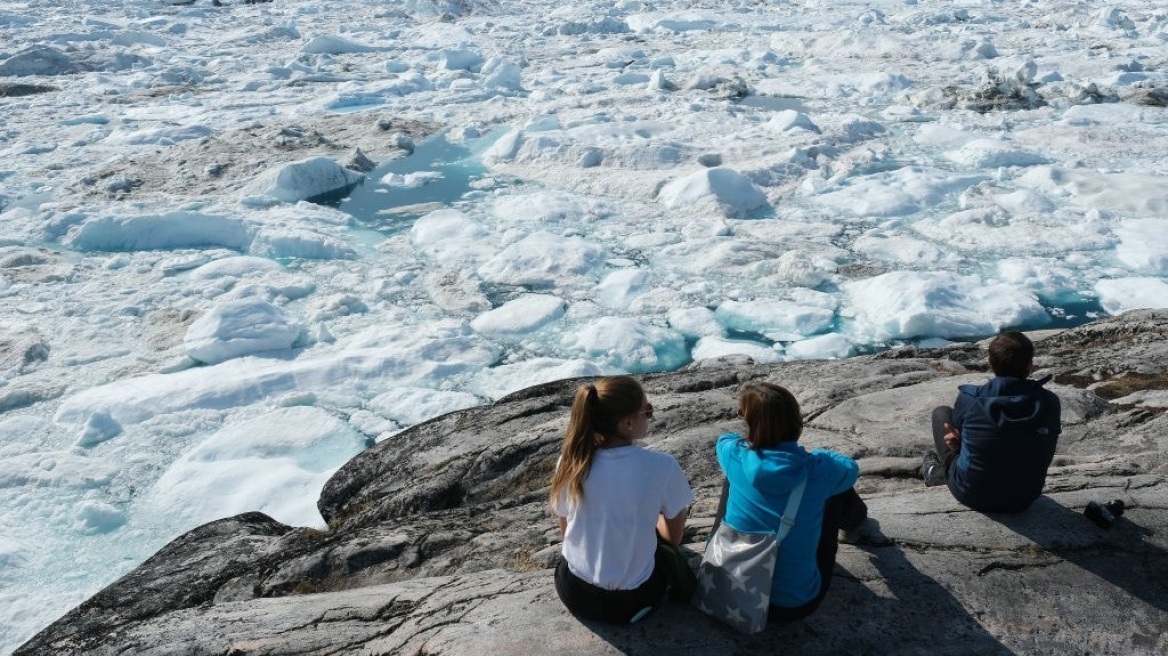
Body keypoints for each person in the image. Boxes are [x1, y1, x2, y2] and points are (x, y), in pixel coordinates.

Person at [714, 382, 868, 622]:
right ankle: (854, 525)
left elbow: (726, 439)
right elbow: (851, 469)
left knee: (733, 477)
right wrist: (821, 455)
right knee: (835, 490)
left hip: (730, 592)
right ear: (797, 422)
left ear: (750, 423)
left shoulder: (733, 452)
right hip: (792, 605)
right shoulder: (819, 468)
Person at [550, 376, 694, 623]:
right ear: (628, 423)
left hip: (575, 594)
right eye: (648, 410)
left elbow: (566, 530)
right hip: (633, 602)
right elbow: (673, 538)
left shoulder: (571, 461)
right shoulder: (662, 466)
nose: (650, 415)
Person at [922, 331, 1061, 513]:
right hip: (1025, 498)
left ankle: (935, 473)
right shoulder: (1049, 401)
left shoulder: (970, 400)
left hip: (971, 494)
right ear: (1030, 366)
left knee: (941, 414)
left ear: (989, 361)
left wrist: (961, 444)